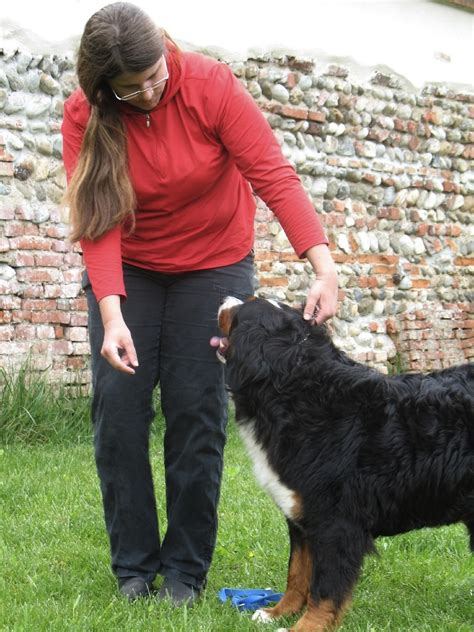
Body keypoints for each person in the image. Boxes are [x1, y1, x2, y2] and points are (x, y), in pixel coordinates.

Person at [61, 1, 338, 605]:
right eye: (134, 88)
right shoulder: (86, 114)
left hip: (213, 263)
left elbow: (271, 173)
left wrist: (321, 263)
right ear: (106, 88)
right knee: (120, 413)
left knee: (196, 414)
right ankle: (133, 567)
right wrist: (111, 313)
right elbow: (97, 222)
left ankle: (185, 571)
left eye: (157, 73)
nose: (153, 89)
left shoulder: (210, 85)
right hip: (130, 268)